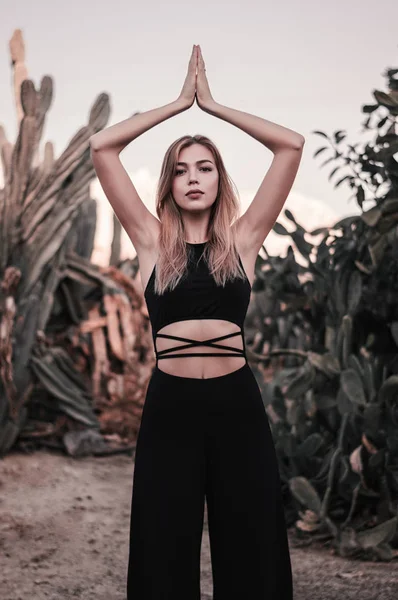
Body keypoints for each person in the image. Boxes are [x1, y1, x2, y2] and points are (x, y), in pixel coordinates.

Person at [90, 44, 304, 600]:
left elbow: (291, 145)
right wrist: (176, 104)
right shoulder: (149, 241)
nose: (192, 178)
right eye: (180, 169)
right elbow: (101, 146)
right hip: (171, 409)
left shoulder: (244, 239)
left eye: (204, 168)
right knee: (163, 547)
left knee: (252, 543)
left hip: (237, 406)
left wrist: (211, 106)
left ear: (218, 180)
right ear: (167, 183)